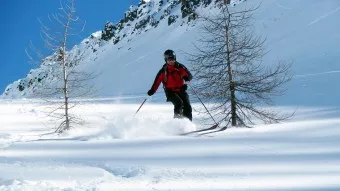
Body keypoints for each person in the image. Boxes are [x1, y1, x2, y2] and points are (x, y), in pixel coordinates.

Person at [147, 49, 193, 121]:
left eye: (172, 59)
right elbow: (157, 82)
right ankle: (177, 124)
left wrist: (187, 77)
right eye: (169, 59)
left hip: (181, 89)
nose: (171, 61)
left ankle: (188, 124)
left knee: (187, 105)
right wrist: (152, 91)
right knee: (179, 103)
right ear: (166, 60)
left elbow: (189, 76)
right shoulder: (163, 71)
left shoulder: (180, 67)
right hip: (170, 92)